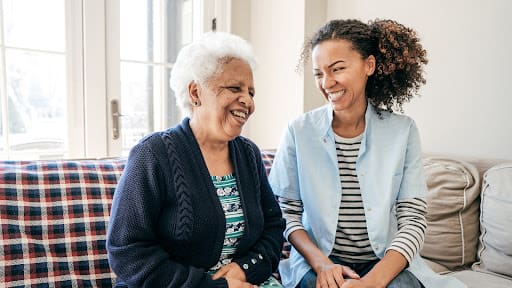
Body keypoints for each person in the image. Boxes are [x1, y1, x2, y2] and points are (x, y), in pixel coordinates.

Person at [269, 19, 465, 288]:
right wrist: (322, 264)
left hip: (385, 261)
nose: (327, 82)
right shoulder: (298, 131)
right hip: (321, 261)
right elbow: (286, 212)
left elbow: (413, 220)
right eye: (318, 73)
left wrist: (372, 282)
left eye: (337, 69)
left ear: (368, 66)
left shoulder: (403, 131)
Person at [107, 31, 284, 288]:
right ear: (195, 92)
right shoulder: (153, 154)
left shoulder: (248, 154)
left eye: (251, 92)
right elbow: (127, 251)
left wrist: (244, 269)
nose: (247, 101)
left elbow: (273, 226)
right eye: (235, 88)